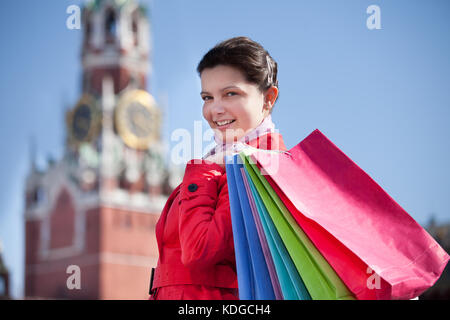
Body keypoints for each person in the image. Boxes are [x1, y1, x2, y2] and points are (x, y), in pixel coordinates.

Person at [149, 36, 287, 300]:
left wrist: (203, 171)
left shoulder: (259, 165)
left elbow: (200, 250)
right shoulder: (226, 159)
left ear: (268, 99)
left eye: (230, 93)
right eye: (207, 97)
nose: (215, 109)